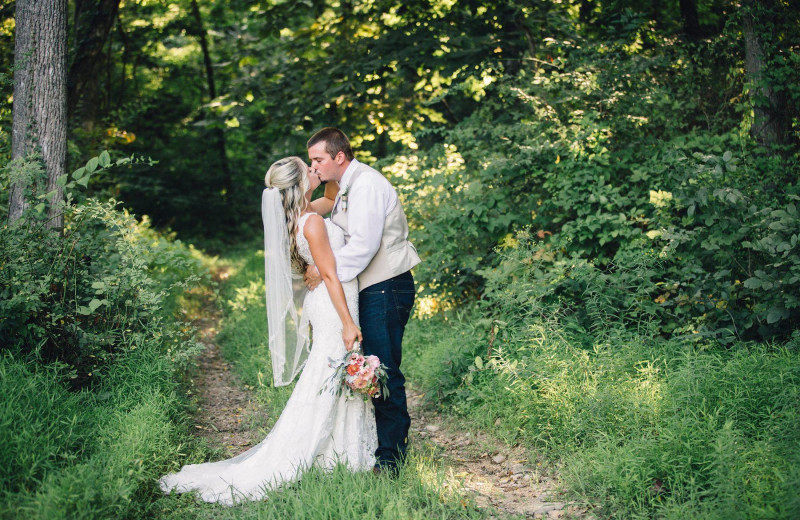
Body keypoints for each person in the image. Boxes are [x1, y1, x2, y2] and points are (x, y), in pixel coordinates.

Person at [158, 156, 377, 505]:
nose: (313, 168)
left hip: (326, 301)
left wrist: (332, 173)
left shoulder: (303, 215)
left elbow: (335, 200)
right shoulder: (313, 223)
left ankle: (338, 452)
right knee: (333, 371)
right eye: (308, 168)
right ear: (298, 184)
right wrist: (349, 322)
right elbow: (331, 272)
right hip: (335, 306)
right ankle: (333, 455)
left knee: (329, 373)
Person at [305, 127, 421, 474]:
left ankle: (391, 459)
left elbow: (363, 247)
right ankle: (381, 444)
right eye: (311, 161)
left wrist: (325, 272)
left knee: (383, 369)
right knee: (371, 368)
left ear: (339, 156)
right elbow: (320, 212)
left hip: (387, 284)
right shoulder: (342, 185)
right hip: (370, 287)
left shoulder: (367, 184)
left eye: (318, 160)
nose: (314, 167)